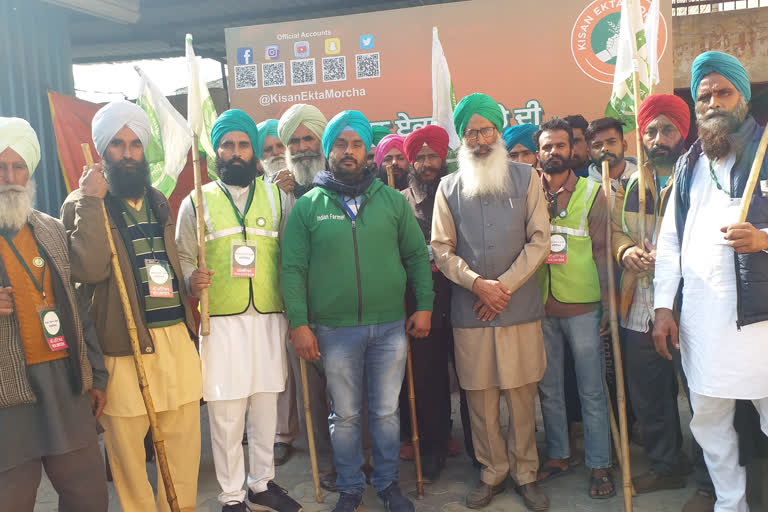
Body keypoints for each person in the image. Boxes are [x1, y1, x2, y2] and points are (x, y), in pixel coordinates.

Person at [282, 109, 434, 512]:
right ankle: (350, 486)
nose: (348, 152)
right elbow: (293, 270)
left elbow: (417, 257)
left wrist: (425, 307)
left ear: (367, 151)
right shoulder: (308, 207)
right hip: (334, 330)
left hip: (389, 327)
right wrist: (299, 324)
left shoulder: (391, 202)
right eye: (340, 144)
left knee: (385, 413)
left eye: (356, 144)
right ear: (328, 150)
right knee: (345, 415)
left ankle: (386, 484)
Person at [60, 100, 202, 512]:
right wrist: (90, 202)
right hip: (123, 348)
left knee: (183, 448)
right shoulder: (82, 202)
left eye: (135, 145)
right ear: (103, 152)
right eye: (118, 145)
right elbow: (86, 269)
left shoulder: (158, 198)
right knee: (127, 459)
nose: (127, 153)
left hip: (175, 339)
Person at [653, 51, 768, 512]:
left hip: (761, 324)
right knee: (709, 421)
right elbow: (670, 242)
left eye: (723, 92)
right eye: (704, 96)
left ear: (743, 97)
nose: (713, 102)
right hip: (703, 322)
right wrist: (663, 309)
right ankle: (730, 503)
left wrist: (763, 239)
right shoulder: (689, 165)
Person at [175, 109, 302, 512]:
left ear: (254, 151)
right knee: (227, 412)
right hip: (221, 321)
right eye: (227, 145)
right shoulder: (196, 200)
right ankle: (231, 495)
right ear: (216, 151)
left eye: (243, 144)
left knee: (265, 406)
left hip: (268, 317)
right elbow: (181, 255)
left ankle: (262, 484)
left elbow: (292, 256)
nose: (235, 152)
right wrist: (192, 277)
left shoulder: (277, 196)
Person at [432, 93, 550, 511]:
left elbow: (540, 241)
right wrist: (478, 284)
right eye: (471, 132)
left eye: (486, 130)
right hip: (472, 312)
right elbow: (441, 249)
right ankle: (492, 472)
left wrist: (503, 288)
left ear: (499, 132)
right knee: (480, 399)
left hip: (518, 310)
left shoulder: (526, 178)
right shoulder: (448, 187)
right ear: (461, 138)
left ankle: (526, 473)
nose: (480, 139)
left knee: (521, 395)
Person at [0, 117, 108, 511]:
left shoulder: (49, 229)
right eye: (1, 167)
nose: (10, 177)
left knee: (89, 496)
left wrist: (95, 373)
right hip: (7, 395)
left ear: (30, 171)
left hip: (63, 382)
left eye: (18, 167)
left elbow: (79, 307)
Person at [612, 94, 691, 493]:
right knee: (650, 393)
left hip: (688, 305)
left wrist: (673, 252)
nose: (658, 138)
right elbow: (615, 232)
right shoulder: (632, 184)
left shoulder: (697, 176)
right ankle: (665, 467)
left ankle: (715, 483)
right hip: (638, 303)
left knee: (703, 398)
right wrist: (626, 251)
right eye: (651, 131)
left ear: (683, 133)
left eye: (667, 130)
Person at [533, 117, 614, 499]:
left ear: (572, 150)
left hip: (583, 308)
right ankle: (559, 454)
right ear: (539, 153)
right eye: (547, 147)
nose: (553, 152)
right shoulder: (530, 192)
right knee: (549, 389)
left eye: (560, 146)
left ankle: (599, 464)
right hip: (540, 307)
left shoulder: (592, 193)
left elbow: (602, 254)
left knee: (591, 390)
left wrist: (609, 308)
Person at [397, 124, 452, 483]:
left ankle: (478, 446)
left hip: (462, 296)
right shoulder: (399, 201)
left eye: (433, 155)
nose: (427, 162)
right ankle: (432, 447)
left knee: (469, 377)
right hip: (421, 302)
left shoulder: (457, 192)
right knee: (427, 376)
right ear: (410, 161)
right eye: (420, 157)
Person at [277, 103, 328, 198]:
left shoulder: (340, 178)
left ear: (322, 140)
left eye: (308, 139)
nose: (302, 147)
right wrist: (276, 196)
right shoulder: (278, 184)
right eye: (294, 141)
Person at [586, 117, 637, 195]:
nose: (604, 148)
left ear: (624, 145)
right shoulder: (584, 189)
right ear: (589, 154)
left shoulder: (644, 178)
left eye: (611, 142)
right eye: (597, 145)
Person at [257, 119, 295, 201]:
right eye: (268, 149)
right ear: (260, 157)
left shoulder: (307, 180)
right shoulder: (253, 189)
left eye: (280, 146)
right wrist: (273, 193)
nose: (276, 152)